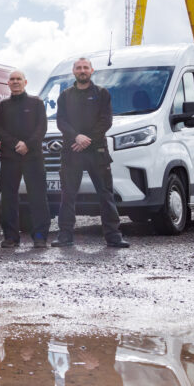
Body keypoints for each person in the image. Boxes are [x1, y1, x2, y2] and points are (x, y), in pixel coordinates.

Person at [53, 57, 130, 248]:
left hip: (97, 151)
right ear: (73, 71)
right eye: (78, 68)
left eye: (85, 67)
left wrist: (86, 139)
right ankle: (65, 236)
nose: (82, 70)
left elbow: (106, 121)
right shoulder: (65, 96)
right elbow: (61, 121)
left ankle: (113, 236)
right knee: (68, 195)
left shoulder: (102, 94)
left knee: (105, 194)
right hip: (72, 152)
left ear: (92, 70)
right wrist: (76, 137)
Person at [0, 70, 49, 248]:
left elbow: (42, 128)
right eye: (12, 79)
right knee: (8, 198)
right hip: (10, 157)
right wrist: (16, 143)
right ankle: (10, 237)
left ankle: (40, 236)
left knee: (38, 197)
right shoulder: (2, 106)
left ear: (25, 82)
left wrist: (28, 145)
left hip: (33, 157)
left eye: (19, 79)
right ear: (7, 83)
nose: (15, 82)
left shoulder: (37, 103)